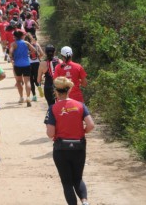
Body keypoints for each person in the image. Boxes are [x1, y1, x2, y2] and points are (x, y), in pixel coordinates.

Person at [44, 76, 95, 205]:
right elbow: (91, 125)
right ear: (69, 90)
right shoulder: (80, 105)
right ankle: (85, 202)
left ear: (55, 91)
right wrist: (82, 132)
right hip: (79, 147)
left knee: (67, 182)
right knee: (78, 179)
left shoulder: (53, 109)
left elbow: (50, 134)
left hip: (61, 149)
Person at [9, 30, 38, 107]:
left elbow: (10, 53)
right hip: (26, 64)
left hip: (17, 64)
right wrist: (28, 53)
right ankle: (28, 97)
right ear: (22, 36)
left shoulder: (14, 44)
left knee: (18, 81)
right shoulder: (26, 43)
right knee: (27, 81)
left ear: (15, 36)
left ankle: (21, 97)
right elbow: (34, 50)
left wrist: (12, 58)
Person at [24, 33, 44, 101]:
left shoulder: (25, 46)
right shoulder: (36, 44)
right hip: (37, 63)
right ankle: (39, 88)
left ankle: (34, 95)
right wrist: (38, 58)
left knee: (30, 80)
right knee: (37, 78)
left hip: (28, 64)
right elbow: (42, 54)